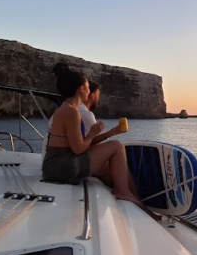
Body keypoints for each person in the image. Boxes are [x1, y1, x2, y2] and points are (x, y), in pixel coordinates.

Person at [43, 63, 142, 208]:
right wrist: (92, 134)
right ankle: (123, 191)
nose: (89, 91)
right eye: (88, 87)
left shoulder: (67, 109)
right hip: (59, 168)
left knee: (115, 146)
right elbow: (78, 149)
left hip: (54, 166)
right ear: (81, 89)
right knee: (117, 146)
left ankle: (123, 190)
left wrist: (110, 132)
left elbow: (76, 144)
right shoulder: (72, 112)